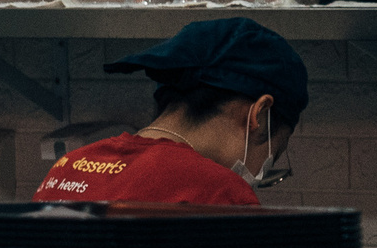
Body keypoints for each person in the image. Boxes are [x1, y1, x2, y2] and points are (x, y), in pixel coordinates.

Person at [31, 17, 305, 207]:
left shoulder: (67, 168)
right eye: (272, 156)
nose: (257, 174)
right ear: (259, 114)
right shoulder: (219, 193)